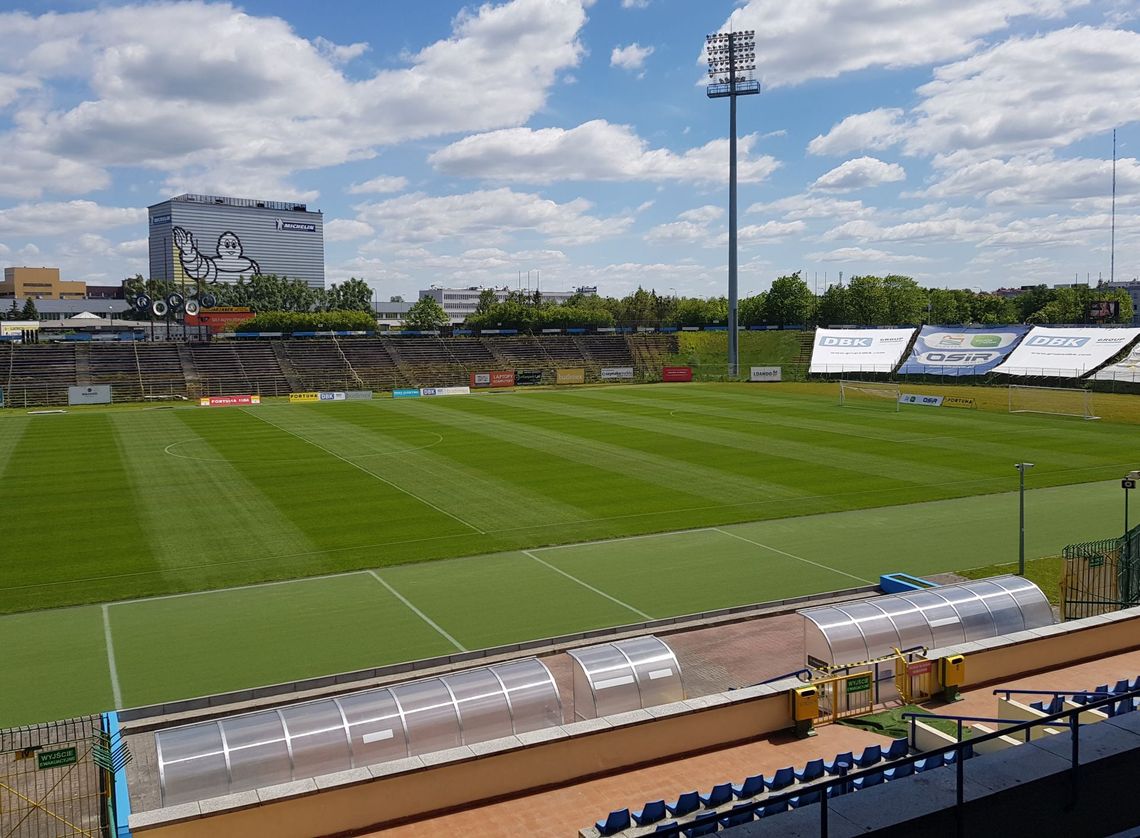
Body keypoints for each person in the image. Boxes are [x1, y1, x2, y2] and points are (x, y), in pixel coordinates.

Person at [173, 226, 260, 283]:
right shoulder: (214, 265)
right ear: (220, 248)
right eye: (226, 245)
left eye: (234, 245)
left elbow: (259, 282)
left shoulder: (251, 266)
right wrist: (188, 252)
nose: (230, 248)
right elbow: (200, 268)